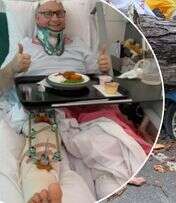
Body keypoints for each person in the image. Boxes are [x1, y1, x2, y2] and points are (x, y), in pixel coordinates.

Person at [0, 0, 149, 202]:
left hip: (82, 107)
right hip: (42, 108)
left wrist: (103, 68)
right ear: (36, 18)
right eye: (48, 14)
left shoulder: (79, 45)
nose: (55, 19)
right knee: (43, 142)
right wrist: (12, 68)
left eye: (59, 13)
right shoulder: (24, 47)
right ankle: (40, 190)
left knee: (108, 142)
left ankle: (112, 184)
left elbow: (98, 80)